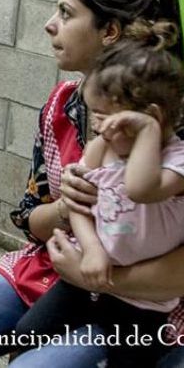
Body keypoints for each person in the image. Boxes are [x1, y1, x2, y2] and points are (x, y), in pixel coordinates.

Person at [0, 0, 182, 367]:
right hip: (59, 271)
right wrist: (65, 208)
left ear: (109, 31)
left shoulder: (172, 131)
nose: (49, 24)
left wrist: (92, 274)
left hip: (146, 303)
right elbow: (29, 219)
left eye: (66, 13)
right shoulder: (63, 104)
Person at [14, 21, 184, 367]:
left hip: (143, 301)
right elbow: (78, 203)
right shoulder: (102, 146)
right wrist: (91, 249)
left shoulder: (177, 161)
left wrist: (148, 132)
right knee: (26, 334)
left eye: (106, 118)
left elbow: (140, 189)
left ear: (149, 117)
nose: (96, 127)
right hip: (84, 274)